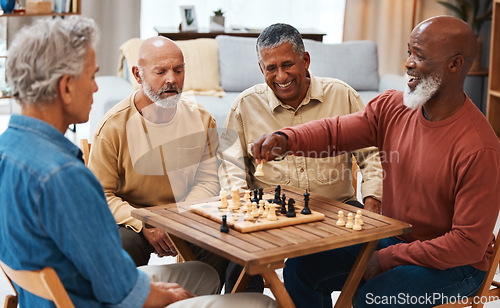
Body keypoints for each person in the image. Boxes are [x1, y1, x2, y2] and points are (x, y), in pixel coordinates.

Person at [0, 16, 276, 308]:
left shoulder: (9, 150)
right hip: (102, 301)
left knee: (203, 274)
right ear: (67, 87)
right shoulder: (64, 176)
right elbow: (117, 287)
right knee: (261, 304)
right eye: (92, 76)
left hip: (50, 299)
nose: (96, 89)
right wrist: (164, 295)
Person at [251, 16, 500, 307]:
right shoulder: (394, 105)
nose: (408, 62)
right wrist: (287, 138)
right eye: (408, 51)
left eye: (419, 55)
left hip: (457, 268)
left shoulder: (479, 148)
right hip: (396, 238)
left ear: (455, 64)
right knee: (302, 267)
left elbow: (467, 245)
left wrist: (386, 258)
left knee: (373, 296)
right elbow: (336, 131)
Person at [218, 23, 384, 293]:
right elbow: (231, 164)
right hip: (270, 214)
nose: (281, 76)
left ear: (305, 60)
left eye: (288, 65)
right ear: (261, 69)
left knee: (371, 255)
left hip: (337, 208)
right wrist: (241, 211)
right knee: (238, 259)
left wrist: (373, 198)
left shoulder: (342, 95)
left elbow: (373, 154)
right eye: (271, 68)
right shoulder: (244, 105)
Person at [88, 36, 229, 287]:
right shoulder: (112, 126)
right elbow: (100, 196)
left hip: (184, 214)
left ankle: (195, 303)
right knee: (120, 246)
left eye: (178, 70)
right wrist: (145, 224)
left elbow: (208, 181)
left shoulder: (203, 119)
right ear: (138, 75)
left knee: (219, 243)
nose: (172, 79)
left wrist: (178, 221)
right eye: (161, 71)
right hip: (134, 220)